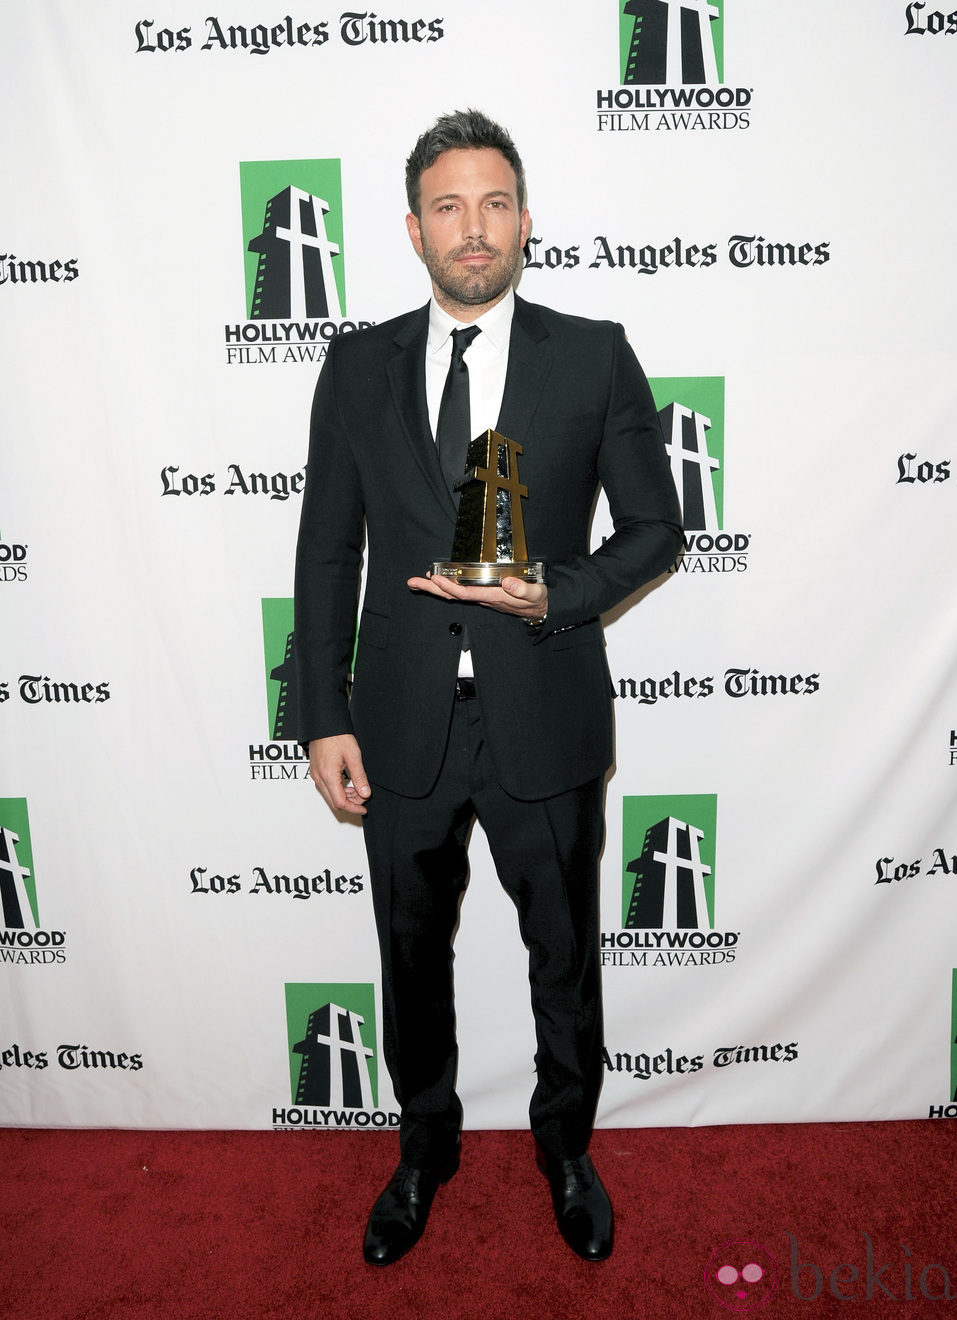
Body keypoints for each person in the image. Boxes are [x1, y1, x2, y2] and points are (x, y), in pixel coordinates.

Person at [293, 109, 682, 1266]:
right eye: (449, 207)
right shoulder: (356, 365)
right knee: (410, 958)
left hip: (545, 711)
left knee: (562, 953)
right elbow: (325, 553)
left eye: (495, 202)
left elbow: (655, 533)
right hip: (402, 721)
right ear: (412, 230)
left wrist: (551, 592)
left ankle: (565, 1147)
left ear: (525, 220)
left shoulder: (591, 353)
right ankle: (423, 1152)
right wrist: (320, 714)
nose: (475, 229)